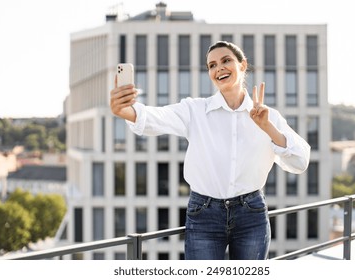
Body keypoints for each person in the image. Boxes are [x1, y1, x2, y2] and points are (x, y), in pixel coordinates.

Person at [110, 41, 311, 260]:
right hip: (204, 213)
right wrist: (126, 111)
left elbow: (300, 161)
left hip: (251, 215)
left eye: (226, 61)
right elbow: (156, 118)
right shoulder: (195, 110)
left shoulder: (267, 116)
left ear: (243, 65)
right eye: (212, 65)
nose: (219, 69)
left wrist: (268, 128)